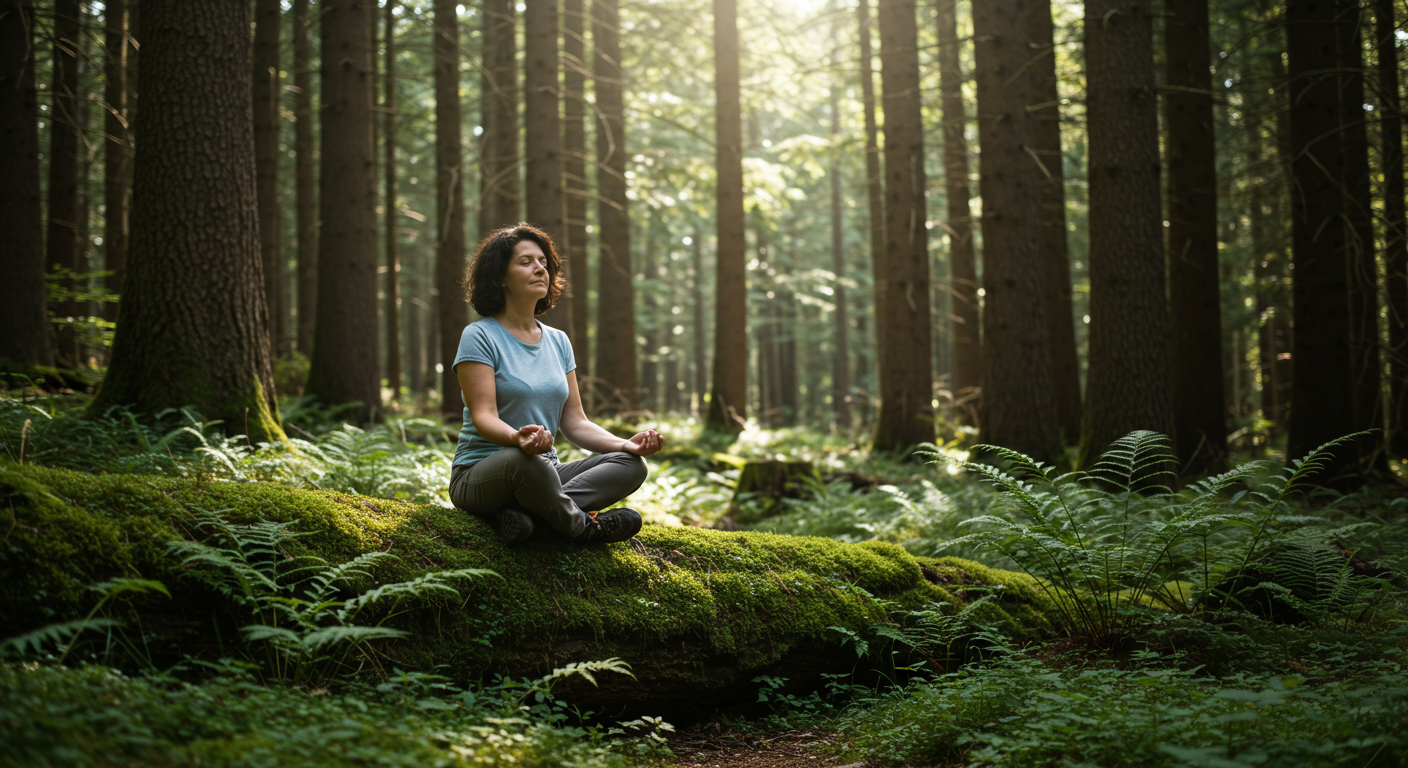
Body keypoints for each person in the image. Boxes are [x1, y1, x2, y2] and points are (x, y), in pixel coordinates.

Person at [449, 223, 663, 545]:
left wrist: (625, 444)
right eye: (526, 262)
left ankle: (532, 522)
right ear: (500, 277)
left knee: (631, 466)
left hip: (544, 474)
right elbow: (483, 417)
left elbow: (575, 423)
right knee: (522, 461)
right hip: (483, 474)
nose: (540, 269)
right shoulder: (479, 336)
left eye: (544, 263)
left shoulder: (558, 341)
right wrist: (517, 439)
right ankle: (583, 528)